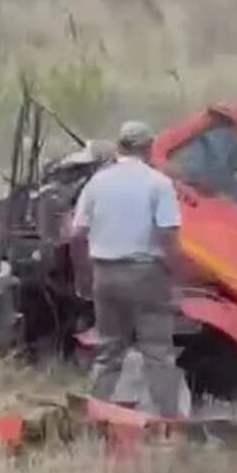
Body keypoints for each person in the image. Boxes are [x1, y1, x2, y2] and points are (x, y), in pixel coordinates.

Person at [72, 120, 182, 418]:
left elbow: (77, 235)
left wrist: (83, 275)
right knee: (158, 353)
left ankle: (91, 417)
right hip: (146, 274)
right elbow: (168, 235)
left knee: (107, 352)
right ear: (148, 148)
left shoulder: (97, 182)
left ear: (119, 146)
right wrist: (176, 277)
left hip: (105, 275)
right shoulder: (158, 184)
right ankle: (169, 423)